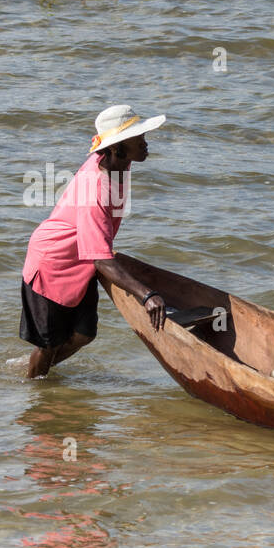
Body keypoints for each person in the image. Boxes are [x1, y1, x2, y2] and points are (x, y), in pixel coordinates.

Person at [19, 104, 169, 378]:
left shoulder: (118, 163)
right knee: (48, 343)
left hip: (82, 260)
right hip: (53, 263)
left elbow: (98, 249)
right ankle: (35, 389)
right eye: (140, 140)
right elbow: (101, 257)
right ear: (117, 147)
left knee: (84, 333)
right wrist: (146, 295)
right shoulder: (96, 188)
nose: (146, 145)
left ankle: (38, 371)